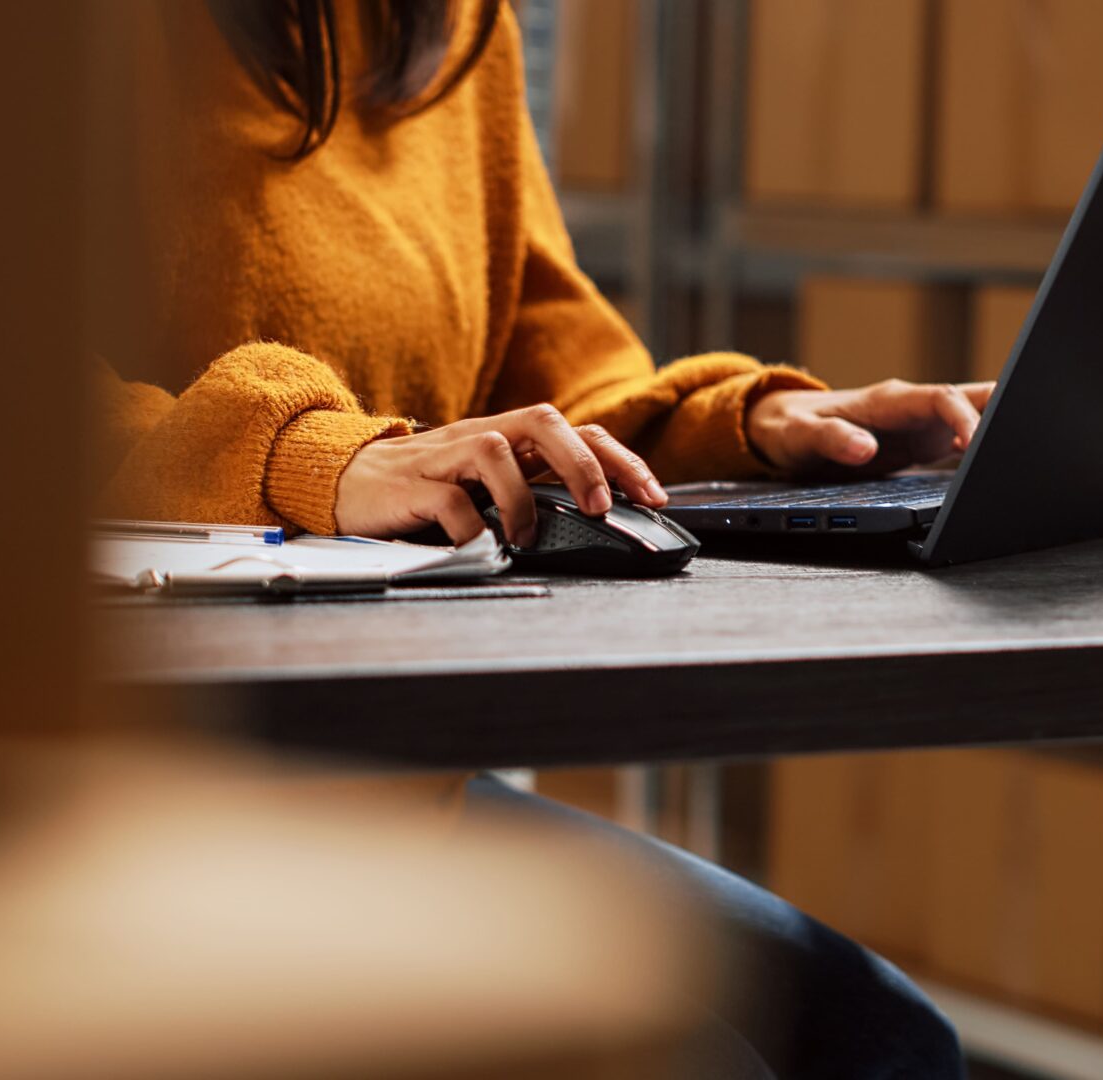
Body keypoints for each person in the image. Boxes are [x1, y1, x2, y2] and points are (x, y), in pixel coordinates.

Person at [90, 2, 982, 1075]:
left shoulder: (457, 25)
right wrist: (313, 459)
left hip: (397, 787)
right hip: (123, 798)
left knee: (883, 1043)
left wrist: (737, 424)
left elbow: (546, 359)